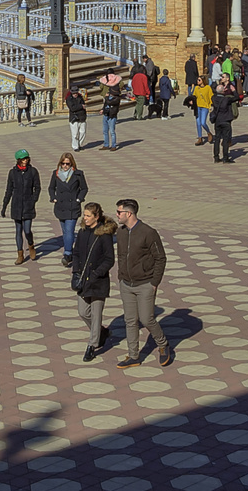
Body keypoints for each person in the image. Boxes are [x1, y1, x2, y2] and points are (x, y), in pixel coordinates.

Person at [113, 199, 172, 368]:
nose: (117, 215)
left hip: (145, 283)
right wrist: (121, 276)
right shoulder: (122, 232)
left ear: (129, 214)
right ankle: (133, 356)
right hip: (126, 283)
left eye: (119, 212)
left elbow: (161, 258)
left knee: (147, 318)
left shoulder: (148, 232)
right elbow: (122, 256)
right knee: (130, 320)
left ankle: (163, 344)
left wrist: (154, 282)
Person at [69, 201, 116, 363]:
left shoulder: (104, 235)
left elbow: (110, 259)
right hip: (83, 279)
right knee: (83, 312)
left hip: (98, 281)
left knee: (96, 315)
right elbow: (76, 253)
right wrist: (76, 271)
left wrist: (96, 273)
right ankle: (101, 333)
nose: (85, 218)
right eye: (84, 215)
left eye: (88, 215)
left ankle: (92, 345)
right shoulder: (82, 232)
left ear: (97, 217)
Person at [47, 152, 88, 266]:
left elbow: (84, 188)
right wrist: (53, 198)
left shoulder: (78, 174)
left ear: (72, 164)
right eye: (63, 163)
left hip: (72, 207)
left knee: (69, 231)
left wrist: (79, 199)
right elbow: (51, 188)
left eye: (67, 164)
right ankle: (70, 251)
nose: (65, 166)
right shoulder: (56, 174)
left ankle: (68, 253)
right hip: (60, 207)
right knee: (65, 232)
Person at [1, 149, 42, 264]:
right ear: (18, 160)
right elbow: (9, 190)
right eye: (23, 159)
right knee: (18, 230)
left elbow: (37, 187)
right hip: (16, 205)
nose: (25, 161)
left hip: (28, 205)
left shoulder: (33, 171)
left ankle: (31, 245)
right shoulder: (12, 173)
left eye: (26, 159)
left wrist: (34, 200)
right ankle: (20, 254)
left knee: (27, 230)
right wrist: (4, 205)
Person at [209, 82, 238, 163]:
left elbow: (216, 93)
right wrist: (234, 90)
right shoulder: (227, 99)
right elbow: (237, 97)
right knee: (225, 139)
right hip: (226, 120)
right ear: (223, 91)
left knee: (217, 139)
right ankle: (225, 158)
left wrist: (221, 89)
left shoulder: (213, 98)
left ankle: (216, 157)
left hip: (217, 121)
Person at [99, 82, 123, 150]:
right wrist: (102, 110)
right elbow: (105, 104)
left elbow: (109, 102)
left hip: (112, 116)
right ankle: (106, 144)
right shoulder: (108, 97)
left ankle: (113, 145)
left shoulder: (117, 99)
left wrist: (106, 97)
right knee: (105, 131)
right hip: (106, 114)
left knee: (112, 131)